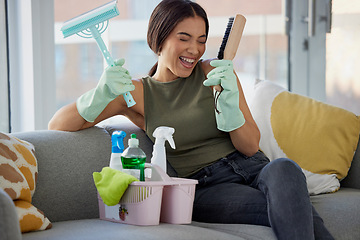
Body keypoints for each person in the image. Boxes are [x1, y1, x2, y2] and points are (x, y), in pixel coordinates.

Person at [48, 0, 334, 239]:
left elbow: (249, 147)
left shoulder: (216, 72)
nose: (194, 50)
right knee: (296, 209)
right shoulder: (136, 93)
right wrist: (100, 93)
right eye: (183, 38)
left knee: (286, 169)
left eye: (200, 40)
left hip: (255, 168)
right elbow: (58, 125)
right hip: (207, 188)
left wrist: (230, 106)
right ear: (159, 39)